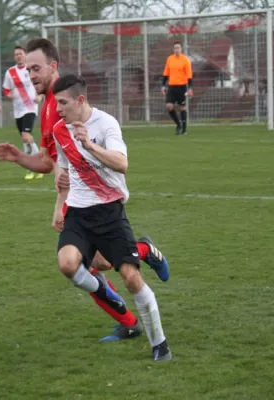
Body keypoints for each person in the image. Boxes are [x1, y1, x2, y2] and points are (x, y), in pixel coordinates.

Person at [0, 38, 170, 342]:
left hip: (92, 197)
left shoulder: (60, 105)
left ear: (53, 66)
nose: (31, 75)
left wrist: (59, 204)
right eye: (27, 70)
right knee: (96, 263)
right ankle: (136, 281)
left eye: (35, 68)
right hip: (77, 197)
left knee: (87, 264)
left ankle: (131, 309)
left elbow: (62, 164)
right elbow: (53, 163)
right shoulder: (50, 107)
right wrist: (20, 158)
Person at [52, 74, 172, 361]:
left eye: (63, 103)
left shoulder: (106, 124)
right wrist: (59, 206)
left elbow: (122, 164)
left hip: (109, 212)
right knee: (69, 265)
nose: (58, 109)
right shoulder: (59, 130)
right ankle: (112, 297)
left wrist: (90, 145)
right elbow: (64, 172)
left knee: (130, 277)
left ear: (80, 101)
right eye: (56, 103)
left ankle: (160, 345)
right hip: (78, 213)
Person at [3, 45, 43, 180]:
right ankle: (32, 168)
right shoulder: (10, 73)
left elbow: (42, 84)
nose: (18, 56)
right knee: (25, 140)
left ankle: (39, 164)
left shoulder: (31, 69)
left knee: (26, 136)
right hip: (18, 110)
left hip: (30, 107)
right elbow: (6, 90)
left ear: (25, 55)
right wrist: (9, 95)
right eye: (16, 54)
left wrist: (40, 96)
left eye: (20, 54)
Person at [161, 41, 193, 135]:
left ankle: (184, 129)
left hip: (182, 86)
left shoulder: (185, 60)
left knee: (181, 107)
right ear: (173, 49)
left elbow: (189, 75)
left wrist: (190, 88)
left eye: (178, 48)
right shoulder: (170, 59)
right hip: (171, 86)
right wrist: (163, 86)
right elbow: (166, 74)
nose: (176, 50)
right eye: (175, 48)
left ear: (181, 49)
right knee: (169, 106)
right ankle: (178, 124)